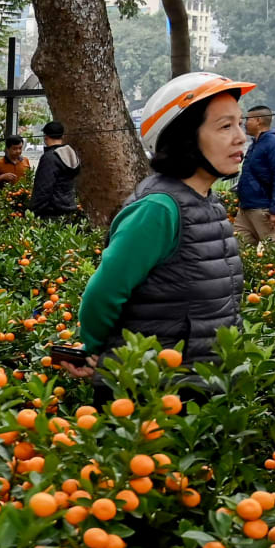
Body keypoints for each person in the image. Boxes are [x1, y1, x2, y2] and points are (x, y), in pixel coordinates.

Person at [65, 72, 251, 378]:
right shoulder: (158, 209)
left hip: (202, 388)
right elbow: (103, 294)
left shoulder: (208, 202)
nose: (240, 137)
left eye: (240, 123)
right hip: (153, 391)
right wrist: (96, 351)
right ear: (185, 138)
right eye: (225, 126)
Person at [232, 105, 275, 249]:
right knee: (239, 251)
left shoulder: (274, 142)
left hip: (263, 209)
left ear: (258, 121)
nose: (245, 123)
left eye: (247, 119)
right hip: (246, 208)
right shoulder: (256, 143)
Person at [29, 121, 81, 220]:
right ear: (62, 136)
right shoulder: (71, 155)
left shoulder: (50, 158)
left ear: (45, 136)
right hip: (68, 209)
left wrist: (33, 212)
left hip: (51, 213)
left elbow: (43, 188)